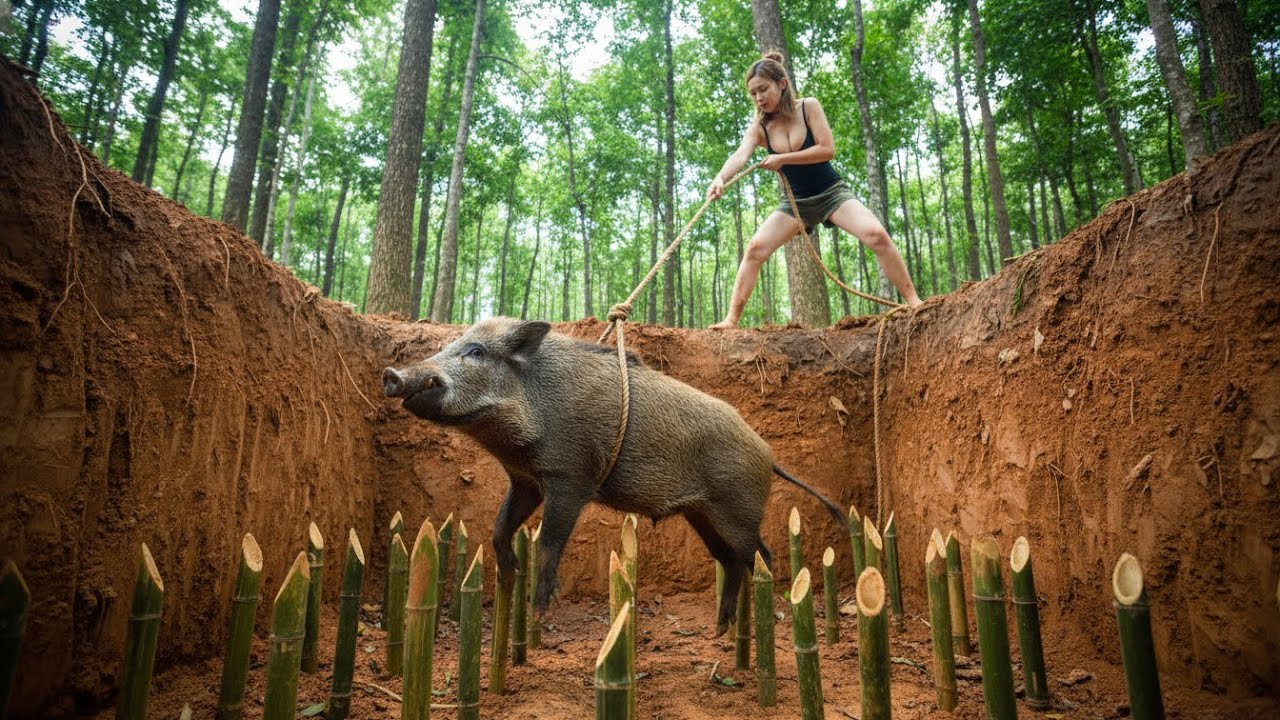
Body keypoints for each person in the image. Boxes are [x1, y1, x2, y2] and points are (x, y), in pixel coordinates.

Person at [707, 51, 922, 329]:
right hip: (794, 203)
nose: (759, 98)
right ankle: (730, 320)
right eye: (753, 93)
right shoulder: (760, 127)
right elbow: (740, 155)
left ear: (782, 84)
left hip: (832, 193)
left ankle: (914, 301)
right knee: (755, 249)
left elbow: (826, 149)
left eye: (763, 89)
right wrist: (720, 178)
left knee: (876, 235)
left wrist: (782, 159)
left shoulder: (808, 107)